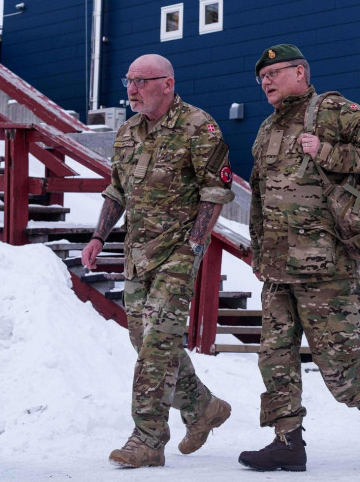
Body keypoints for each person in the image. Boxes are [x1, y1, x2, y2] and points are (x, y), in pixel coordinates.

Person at [238, 44, 360, 472]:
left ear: (301, 72)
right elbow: (259, 198)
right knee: (275, 358)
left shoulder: (333, 110)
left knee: (339, 368)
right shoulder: (267, 129)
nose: (266, 81)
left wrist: (326, 151)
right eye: (261, 77)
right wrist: (258, 249)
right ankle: (287, 441)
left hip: (326, 267)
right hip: (276, 268)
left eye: (275, 72)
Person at [82, 53, 236, 468]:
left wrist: (193, 247)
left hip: (177, 255)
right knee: (144, 340)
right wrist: (99, 235)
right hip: (137, 254)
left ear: (167, 84)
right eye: (128, 81)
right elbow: (117, 190)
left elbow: (216, 192)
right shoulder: (128, 131)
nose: (131, 90)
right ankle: (203, 407)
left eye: (141, 81)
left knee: (156, 345)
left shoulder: (198, 126)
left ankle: (147, 438)